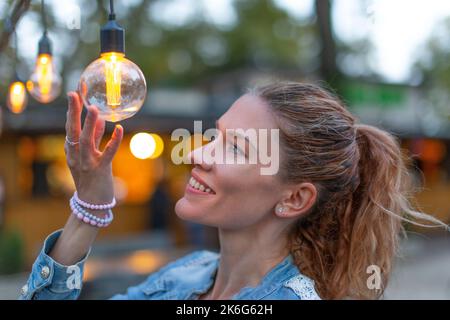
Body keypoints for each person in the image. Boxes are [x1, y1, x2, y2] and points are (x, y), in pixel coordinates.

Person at [19, 82, 447, 300]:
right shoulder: (188, 273)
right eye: (216, 135)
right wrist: (89, 207)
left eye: (237, 147)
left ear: (294, 198)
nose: (199, 154)